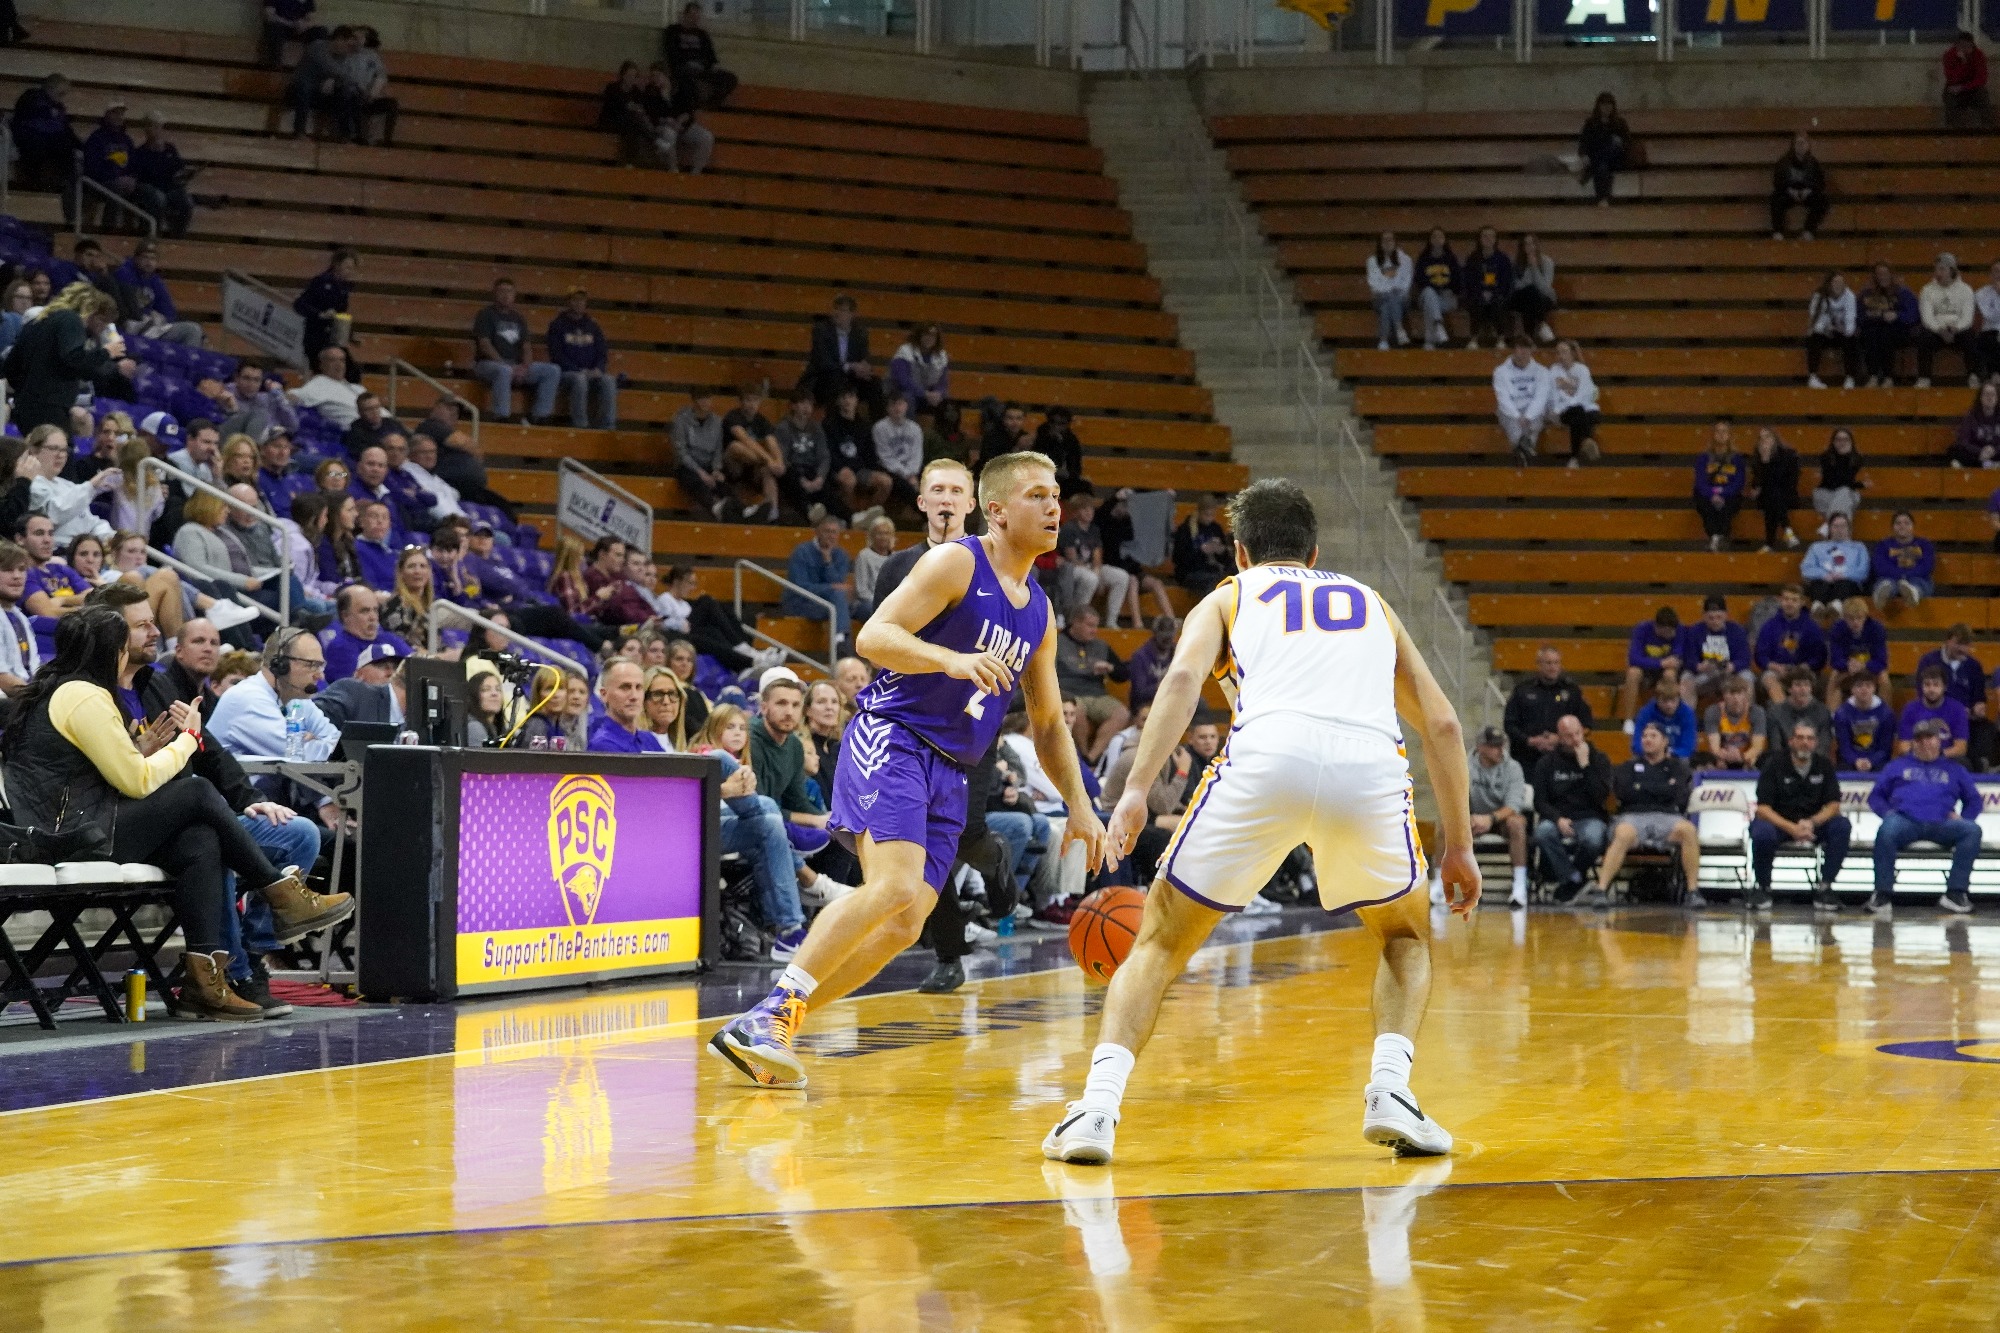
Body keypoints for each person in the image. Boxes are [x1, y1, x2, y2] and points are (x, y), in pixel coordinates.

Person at [1040, 476, 1475, 1162]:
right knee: (1404, 935)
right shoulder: (1371, 603)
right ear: (1315, 550)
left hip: (1267, 756)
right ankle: (1391, 1089)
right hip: (1369, 767)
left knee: (1157, 942)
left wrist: (1135, 789)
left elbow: (1181, 683)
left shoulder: (1229, 596)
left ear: (1239, 552)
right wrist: (1460, 845)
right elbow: (1445, 725)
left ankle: (1096, 1109)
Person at [709, 452, 1106, 1092]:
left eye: (1056, 494)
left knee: (905, 924)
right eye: (1037, 495)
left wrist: (1083, 807)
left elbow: (1052, 724)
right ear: (998, 511)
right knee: (893, 888)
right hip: (893, 736)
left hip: (953, 767)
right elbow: (873, 637)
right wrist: (948, 660)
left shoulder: (1039, 609)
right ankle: (772, 1014)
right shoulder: (957, 561)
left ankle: (770, 1025)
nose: (1055, 506)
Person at [1, 609, 346, 1021]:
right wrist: (189, 739)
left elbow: (105, 772)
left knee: (200, 839)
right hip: (73, 839)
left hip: (75, 829)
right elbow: (136, 782)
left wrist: (141, 749)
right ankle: (279, 893)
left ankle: (204, 985)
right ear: (111, 651)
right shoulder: (83, 694)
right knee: (197, 791)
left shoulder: (64, 689)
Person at [1576, 721, 1699, 909]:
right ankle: (1601, 890)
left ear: (1665, 741)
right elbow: (1625, 793)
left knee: (1688, 830)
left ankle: (1692, 892)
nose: (1647, 740)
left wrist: (1643, 788)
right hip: (1633, 816)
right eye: (1644, 736)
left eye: (1653, 736)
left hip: (1667, 817)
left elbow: (1677, 794)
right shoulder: (1627, 767)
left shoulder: (1678, 768)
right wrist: (1661, 788)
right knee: (1623, 833)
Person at [1870, 719, 1982, 917]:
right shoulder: (1897, 766)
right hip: (1905, 821)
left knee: (1972, 830)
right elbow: (1876, 796)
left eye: (1929, 738)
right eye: (1919, 739)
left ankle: (1956, 893)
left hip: (1942, 823)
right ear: (1913, 742)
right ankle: (1882, 894)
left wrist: (1965, 817)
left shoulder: (1955, 769)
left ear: (1939, 740)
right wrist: (1888, 814)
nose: (1924, 743)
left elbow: (1974, 799)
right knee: (1886, 830)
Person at [1748, 719, 1850, 914]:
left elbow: (1834, 805)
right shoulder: (1773, 764)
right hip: (1780, 823)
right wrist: (1792, 828)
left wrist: (1811, 823)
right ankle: (1763, 888)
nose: (1805, 742)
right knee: (1761, 831)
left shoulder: (1824, 765)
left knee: (1841, 826)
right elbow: (1763, 809)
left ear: (1816, 743)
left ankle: (1825, 887)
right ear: (1791, 741)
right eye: (1800, 737)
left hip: (1813, 823)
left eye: (1810, 738)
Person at [3, 284, 128, 434]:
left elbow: (10, 366)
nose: (103, 327)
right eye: (101, 320)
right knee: (58, 453)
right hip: (50, 405)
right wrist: (106, 352)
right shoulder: (70, 320)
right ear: (89, 309)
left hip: (26, 405)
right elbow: (74, 358)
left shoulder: (38, 321)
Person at [1531, 712, 1612, 905]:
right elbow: (1540, 802)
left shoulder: (1598, 759)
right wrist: (1557, 818)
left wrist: (1585, 766)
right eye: (1569, 736)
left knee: (1593, 837)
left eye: (1578, 733)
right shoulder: (1546, 763)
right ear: (1559, 737)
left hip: (1590, 817)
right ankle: (1575, 878)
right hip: (1558, 818)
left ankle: (1571, 881)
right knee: (1542, 833)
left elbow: (1601, 797)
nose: (1575, 739)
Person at [870, 459, 973, 611]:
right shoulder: (895, 567)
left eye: (956, 491)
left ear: (970, 505)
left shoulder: (995, 566)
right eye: (938, 490)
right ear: (921, 503)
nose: (946, 500)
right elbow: (877, 632)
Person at [473, 279, 560, 424]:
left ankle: (539, 416)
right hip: (488, 364)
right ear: (494, 293)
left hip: (516, 365)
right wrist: (506, 365)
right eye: (502, 291)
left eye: (509, 291)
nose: (506, 295)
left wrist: (525, 368)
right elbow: (485, 345)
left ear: (514, 295)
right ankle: (502, 416)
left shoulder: (518, 318)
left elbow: (526, 347)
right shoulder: (485, 315)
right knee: (504, 371)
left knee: (552, 370)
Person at [1466, 725, 1529, 909]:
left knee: (1517, 824)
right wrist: (1467, 817)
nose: (1500, 750)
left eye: (1501, 745)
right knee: (1445, 825)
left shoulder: (1513, 767)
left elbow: (1513, 805)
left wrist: (1490, 819)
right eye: (1494, 746)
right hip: (1473, 817)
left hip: (1501, 819)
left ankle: (1519, 886)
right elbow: (1453, 796)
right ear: (1480, 747)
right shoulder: (1463, 764)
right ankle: (1438, 886)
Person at [1504, 643, 1593, 770]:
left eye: (1556, 663)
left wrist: (1561, 739)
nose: (1553, 667)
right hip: (1526, 758)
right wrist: (1530, 740)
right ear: (1538, 665)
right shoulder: (1522, 690)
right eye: (1548, 663)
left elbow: (1587, 724)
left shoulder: (1572, 691)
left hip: (1563, 758)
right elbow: (1509, 724)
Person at [1920, 626, 1993, 770]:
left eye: (1966, 645)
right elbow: (1923, 693)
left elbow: (1979, 696)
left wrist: (1978, 706)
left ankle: (1983, 765)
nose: (1963, 649)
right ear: (1948, 641)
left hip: (1967, 719)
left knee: (1987, 729)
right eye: (1958, 644)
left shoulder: (1974, 666)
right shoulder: (1929, 661)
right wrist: (1953, 710)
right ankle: (1974, 764)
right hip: (1936, 716)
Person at [546, 288, 616, 431]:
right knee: (579, 379)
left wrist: (598, 369)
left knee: (609, 380)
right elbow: (556, 355)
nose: (579, 304)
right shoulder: (557, 325)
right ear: (568, 302)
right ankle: (581, 425)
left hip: (591, 372)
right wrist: (578, 370)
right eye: (575, 300)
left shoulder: (593, 326)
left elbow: (602, 352)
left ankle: (608, 426)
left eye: (582, 300)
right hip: (567, 373)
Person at [783, 514, 853, 654]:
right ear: (817, 532)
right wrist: (830, 588)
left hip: (829, 604)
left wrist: (828, 561)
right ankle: (841, 641)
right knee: (839, 601)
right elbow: (800, 588)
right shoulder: (802, 552)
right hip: (801, 603)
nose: (830, 536)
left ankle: (842, 639)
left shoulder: (841, 555)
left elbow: (838, 584)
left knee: (863, 608)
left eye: (834, 532)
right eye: (827, 531)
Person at [802, 294, 882, 416]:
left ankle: (877, 428)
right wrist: (850, 367)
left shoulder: (860, 333)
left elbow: (865, 357)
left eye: (842, 310)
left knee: (875, 383)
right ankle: (833, 426)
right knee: (836, 381)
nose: (837, 313)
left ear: (852, 315)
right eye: (835, 309)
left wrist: (865, 368)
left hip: (850, 379)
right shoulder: (821, 330)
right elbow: (823, 362)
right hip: (824, 379)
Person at [11, 74, 81, 204]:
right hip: (31, 143)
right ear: (50, 88)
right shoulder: (32, 99)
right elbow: (31, 125)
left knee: (68, 150)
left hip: (48, 145)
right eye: (61, 93)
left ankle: (67, 188)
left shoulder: (58, 108)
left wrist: (81, 146)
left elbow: (65, 130)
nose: (62, 97)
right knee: (51, 148)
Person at [286, 26, 362, 142]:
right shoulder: (317, 46)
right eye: (347, 45)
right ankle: (299, 132)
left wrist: (337, 81)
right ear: (339, 39)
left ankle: (345, 135)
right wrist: (335, 78)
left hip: (318, 92)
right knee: (304, 87)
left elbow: (344, 78)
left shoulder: (342, 57)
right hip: (298, 90)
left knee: (345, 92)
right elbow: (331, 67)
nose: (348, 49)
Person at [323, 583, 411, 681]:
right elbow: (352, 689)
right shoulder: (340, 648)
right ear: (345, 616)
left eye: (375, 610)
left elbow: (418, 666)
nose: (373, 617)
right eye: (365, 611)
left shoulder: (390, 639)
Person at [722, 384, 784, 524]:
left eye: (755, 401)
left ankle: (773, 514)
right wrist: (768, 460)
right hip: (733, 466)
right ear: (742, 401)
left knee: (769, 471)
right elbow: (745, 439)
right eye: (748, 400)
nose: (752, 404)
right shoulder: (733, 417)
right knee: (736, 446)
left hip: (754, 468)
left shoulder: (761, 420)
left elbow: (772, 443)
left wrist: (779, 462)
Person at [293, 248, 357, 379]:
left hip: (333, 337)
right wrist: (320, 314)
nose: (349, 271)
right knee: (320, 374)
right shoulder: (320, 282)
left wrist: (350, 334)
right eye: (347, 267)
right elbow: (299, 305)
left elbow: (341, 314)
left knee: (352, 373)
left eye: (352, 268)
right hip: (316, 336)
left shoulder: (344, 288)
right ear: (337, 265)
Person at [1917, 253, 1977, 389]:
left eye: (1942, 269)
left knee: (1970, 336)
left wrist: (1957, 328)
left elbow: (1968, 317)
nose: (1938, 273)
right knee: (1924, 337)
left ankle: (1973, 375)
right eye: (1936, 269)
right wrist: (1940, 329)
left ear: (1952, 270)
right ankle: (1924, 377)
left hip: (1958, 329)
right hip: (1936, 329)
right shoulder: (1927, 290)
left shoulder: (1966, 290)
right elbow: (1927, 317)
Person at [661, 0, 737, 108]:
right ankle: (692, 104)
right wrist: (685, 63)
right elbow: (671, 52)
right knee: (685, 79)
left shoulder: (702, 34)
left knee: (730, 78)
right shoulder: (673, 30)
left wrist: (711, 66)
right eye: (692, 15)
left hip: (702, 69)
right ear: (685, 15)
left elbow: (711, 56)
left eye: (697, 16)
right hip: (682, 67)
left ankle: (712, 103)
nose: (695, 19)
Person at [773, 388, 832, 524]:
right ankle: (808, 511)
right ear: (793, 405)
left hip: (811, 469)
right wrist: (801, 480)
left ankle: (849, 517)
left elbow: (824, 456)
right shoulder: (783, 428)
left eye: (810, 404)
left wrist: (820, 477)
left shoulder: (816, 428)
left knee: (827, 486)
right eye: (802, 403)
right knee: (790, 478)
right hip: (793, 469)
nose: (806, 408)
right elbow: (783, 458)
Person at [1492, 337, 1551, 466]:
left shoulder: (1542, 371)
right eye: (1519, 348)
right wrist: (1517, 416)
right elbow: (1503, 398)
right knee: (1513, 424)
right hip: (1511, 411)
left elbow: (1541, 397)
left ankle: (1522, 451)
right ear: (1513, 350)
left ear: (1531, 350)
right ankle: (1525, 449)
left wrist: (1528, 416)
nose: (1522, 352)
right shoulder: (1500, 371)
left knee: (1535, 421)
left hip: (1533, 410)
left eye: (1525, 348)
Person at [1858, 263, 1918, 388]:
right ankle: (1873, 375)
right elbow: (1858, 316)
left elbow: (1914, 315)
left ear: (1891, 275)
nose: (1882, 277)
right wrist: (1870, 315)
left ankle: (1888, 376)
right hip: (1873, 329)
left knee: (1886, 334)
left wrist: (1897, 316)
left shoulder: (1903, 292)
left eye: (1885, 274)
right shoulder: (1866, 293)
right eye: (1879, 274)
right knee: (1871, 334)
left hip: (1897, 330)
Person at [1825, 597, 1890, 711]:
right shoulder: (1837, 629)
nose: (1855, 622)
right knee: (1834, 679)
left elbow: (1882, 660)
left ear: (1865, 617)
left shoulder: (1876, 629)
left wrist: (1864, 665)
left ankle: (1884, 715)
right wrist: (1847, 665)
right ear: (1844, 618)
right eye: (1851, 619)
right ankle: (1832, 717)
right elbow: (1835, 659)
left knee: (1884, 680)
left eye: (1859, 618)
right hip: (1847, 668)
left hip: (1870, 668)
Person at [1897, 663, 1970, 761]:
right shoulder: (1910, 709)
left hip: (1945, 759)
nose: (1931, 689)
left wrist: (1937, 754)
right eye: (1927, 684)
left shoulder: (1957, 709)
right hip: (1916, 759)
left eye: (1936, 685)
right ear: (1922, 686)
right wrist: (1922, 754)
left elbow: (1961, 748)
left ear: (1944, 687)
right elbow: (1903, 747)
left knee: (1964, 762)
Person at [1744, 426, 1801, 553]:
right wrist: (1763, 463)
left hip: (1787, 493)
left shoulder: (1787, 455)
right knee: (1771, 495)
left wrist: (1767, 463)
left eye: (1768, 437)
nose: (1764, 441)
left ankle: (1770, 543)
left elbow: (1783, 479)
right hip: (1768, 497)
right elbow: (1758, 482)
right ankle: (1787, 531)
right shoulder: (1758, 458)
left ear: (1775, 439)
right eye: (1761, 438)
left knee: (1773, 493)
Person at [1692, 418, 1744, 552]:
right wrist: (1713, 494)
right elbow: (1700, 482)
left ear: (1729, 435)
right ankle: (1715, 537)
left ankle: (1721, 538)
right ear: (1713, 435)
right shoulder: (1704, 458)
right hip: (1708, 494)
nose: (1721, 434)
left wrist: (1721, 493)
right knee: (1703, 501)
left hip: (1729, 494)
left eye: (1724, 431)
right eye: (1718, 431)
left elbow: (1738, 483)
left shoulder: (1737, 459)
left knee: (1728, 505)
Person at [1801, 513, 1869, 615]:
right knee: (1819, 583)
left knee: (1844, 584)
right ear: (1829, 528)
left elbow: (1863, 571)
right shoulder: (1816, 547)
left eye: (1843, 526)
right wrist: (1824, 575)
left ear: (1849, 528)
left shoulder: (1859, 547)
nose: (1839, 530)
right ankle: (1818, 606)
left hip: (1848, 583)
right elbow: (1806, 569)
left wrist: (1844, 575)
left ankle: (1836, 606)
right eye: (1835, 526)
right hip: (1823, 581)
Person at [1548, 339, 1600, 468]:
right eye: (1558, 352)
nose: (1561, 355)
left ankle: (1575, 457)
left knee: (1580, 414)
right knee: (1577, 413)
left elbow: (1584, 394)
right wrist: (1556, 410)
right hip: (1565, 410)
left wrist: (1571, 401)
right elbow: (1552, 394)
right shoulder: (1554, 370)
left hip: (1586, 409)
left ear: (1572, 353)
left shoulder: (1582, 370)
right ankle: (1587, 440)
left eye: (1564, 352)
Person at [1460, 226, 1513, 350]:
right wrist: (1481, 293)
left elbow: (1506, 282)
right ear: (1479, 239)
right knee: (1475, 302)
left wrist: (1493, 293)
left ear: (1495, 239)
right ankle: (1474, 338)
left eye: (1491, 236)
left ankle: (1501, 338)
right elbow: (1469, 282)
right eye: (1485, 236)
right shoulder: (1473, 259)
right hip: (1478, 295)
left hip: (1497, 295)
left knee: (1499, 302)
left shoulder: (1502, 259)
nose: (1488, 239)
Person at [1869, 510, 1935, 610]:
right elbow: (1880, 567)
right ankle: (1881, 595)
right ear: (1893, 527)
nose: (1902, 526)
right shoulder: (1883, 545)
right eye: (1898, 523)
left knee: (1920, 583)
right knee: (1886, 583)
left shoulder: (1924, 544)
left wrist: (1905, 576)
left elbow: (1927, 566)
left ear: (1912, 526)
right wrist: (1902, 576)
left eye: (1906, 523)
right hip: (1891, 579)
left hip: (1917, 579)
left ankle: (1914, 593)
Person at [1766, 666, 1834, 761]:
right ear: (1789, 689)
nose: (1803, 689)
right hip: (1785, 762)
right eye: (1798, 685)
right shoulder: (1775, 712)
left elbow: (1823, 745)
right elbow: (1776, 747)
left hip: (1815, 762)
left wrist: (1807, 761)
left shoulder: (1823, 711)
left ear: (1811, 688)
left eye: (1806, 685)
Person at [1769, 131, 1827, 242]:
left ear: (1808, 145)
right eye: (1798, 143)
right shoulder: (1783, 162)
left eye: (1803, 143)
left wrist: (1809, 190)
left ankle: (1808, 231)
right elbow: (1777, 182)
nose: (1801, 146)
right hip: (1788, 193)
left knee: (1822, 200)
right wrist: (1788, 190)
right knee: (1775, 199)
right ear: (1793, 145)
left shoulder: (1814, 163)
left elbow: (1821, 183)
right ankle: (1778, 232)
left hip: (1807, 193)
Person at [1805, 272, 1860, 389]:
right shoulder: (1819, 296)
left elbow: (1851, 321)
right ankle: (1813, 376)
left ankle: (1850, 377)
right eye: (1835, 282)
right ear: (1829, 284)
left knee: (1852, 340)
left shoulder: (1849, 296)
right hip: (1825, 332)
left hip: (1842, 332)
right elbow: (1816, 322)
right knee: (1814, 338)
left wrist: (1844, 329)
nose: (1838, 285)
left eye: (1841, 282)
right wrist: (1827, 328)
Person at [1576, 92, 1631, 207]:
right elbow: (1583, 143)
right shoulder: (1591, 123)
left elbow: (1628, 144)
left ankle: (1588, 170)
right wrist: (1584, 155)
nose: (1607, 108)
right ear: (1598, 106)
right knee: (1602, 166)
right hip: (1601, 162)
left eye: (1609, 105)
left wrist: (1620, 142)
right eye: (1604, 105)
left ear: (1613, 107)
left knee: (1612, 146)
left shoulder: (1620, 123)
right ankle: (1603, 199)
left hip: (1616, 160)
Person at [1833, 672, 1894, 773]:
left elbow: (1885, 748)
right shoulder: (1842, 713)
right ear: (1852, 689)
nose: (1864, 689)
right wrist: (1855, 760)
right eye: (1859, 685)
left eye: (1868, 685)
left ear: (1874, 688)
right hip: (1849, 762)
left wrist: (1872, 761)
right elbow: (1844, 746)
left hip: (1877, 762)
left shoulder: (1886, 714)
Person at [1703, 675, 1767, 773]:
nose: (1736, 698)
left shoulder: (1756, 712)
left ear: (1746, 694)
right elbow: (1714, 747)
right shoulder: (1714, 711)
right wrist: (1724, 756)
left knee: (1759, 759)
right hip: (1722, 757)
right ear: (1724, 695)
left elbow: (1757, 747)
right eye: (1732, 694)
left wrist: (1742, 757)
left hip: (1746, 756)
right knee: (1708, 762)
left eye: (1740, 693)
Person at [1630, 669, 1697, 760]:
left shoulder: (1687, 713)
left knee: (1684, 763)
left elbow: (1688, 747)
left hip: (1675, 758)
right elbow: (1636, 743)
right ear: (1657, 699)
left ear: (1679, 698)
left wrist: (1669, 753)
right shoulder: (1646, 712)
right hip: (1649, 756)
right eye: (1665, 701)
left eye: (1673, 700)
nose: (1669, 705)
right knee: (1635, 761)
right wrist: (1653, 752)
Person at [290, 346, 364, 429]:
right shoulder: (318, 384)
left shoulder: (357, 388)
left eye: (342, 360)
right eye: (332, 360)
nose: (338, 364)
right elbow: (293, 396)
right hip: (354, 432)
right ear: (322, 365)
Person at [1411, 228, 1459, 350]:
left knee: (1430, 306)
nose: (1437, 239)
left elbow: (1457, 280)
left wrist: (1450, 290)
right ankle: (1438, 324)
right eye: (1434, 237)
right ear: (1430, 240)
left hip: (1446, 298)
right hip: (1428, 295)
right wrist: (1436, 289)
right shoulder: (1423, 259)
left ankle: (1429, 341)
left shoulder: (1451, 259)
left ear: (1444, 240)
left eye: (1440, 237)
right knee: (1429, 294)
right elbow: (1420, 281)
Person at [889, 324, 950, 416]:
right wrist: (924, 393)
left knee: (948, 404)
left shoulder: (941, 355)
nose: (929, 338)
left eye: (933, 336)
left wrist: (938, 393)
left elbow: (943, 382)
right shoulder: (905, 351)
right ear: (919, 336)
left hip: (927, 395)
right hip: (903, 392)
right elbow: (903, 381)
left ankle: (946, 430)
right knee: (907, 400)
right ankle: (909, 430)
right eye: (926, 335)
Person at [1507, 233, 1558, 344]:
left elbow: (1545, 288)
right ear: (1522, 247)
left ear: (1537, 245)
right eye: (1526, 244)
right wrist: (1530, 269)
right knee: (1530, 292)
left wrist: (1534, 267)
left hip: (1543, 298)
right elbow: (1517, 286)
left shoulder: (1547, 262)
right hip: (1521, 297)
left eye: (1532, 243)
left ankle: (1529, 338)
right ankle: (1542, 324)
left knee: (1532, 295)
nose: (1530, 246)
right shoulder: (1516, 263)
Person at [1365, 231, 1412, 350]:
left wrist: (1391, 290)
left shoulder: (1405, 259)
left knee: (1387, 306)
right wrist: (1390, 290)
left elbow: (1406, 283)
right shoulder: (1372, 261)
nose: (1387, 243)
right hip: (1379, 298)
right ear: (1380, 243)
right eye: (1384, 240)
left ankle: (1383, 340)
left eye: (1390, 239)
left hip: (1401, 299)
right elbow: (1374, 284)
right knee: (1388, 300)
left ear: (1395, 242)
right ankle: (1399, 328)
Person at [1814, 426, 1866, 533]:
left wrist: (1846, 457)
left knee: (1845, 492)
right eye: (1838, 439)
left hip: (1847, 495)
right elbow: (1833, 482)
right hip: (1825, 494)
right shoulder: (1825, 457)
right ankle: (1843, 539)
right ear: (1833, 442)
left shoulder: (1856, 458)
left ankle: (1829, 526)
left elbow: (1846, 481)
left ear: (1851, 442)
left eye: (1845, 439)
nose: (1842, 442)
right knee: (1845, 501)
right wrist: (1860, 485)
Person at [1943, 30, 1994, 130]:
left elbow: (1981, 79)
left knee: (1982, 94)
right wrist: (1962, 63)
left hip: (1972, 87)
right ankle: (1951, 128)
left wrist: (1964, 87)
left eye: (1967, 46)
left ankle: (1988, 128)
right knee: (1949, 96)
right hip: (1955, 87)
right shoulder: (1949, 55)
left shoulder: (1978, 55)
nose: (1964, 49)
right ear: (1956, 45)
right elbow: (1952, 78)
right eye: (1961, 46)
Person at [851, 515, 897, 619]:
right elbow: (862, 591)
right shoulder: (864, 556)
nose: (883, 537)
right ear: (872, 536)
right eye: (879, 533)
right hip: (867, 603)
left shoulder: (896, 557)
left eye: (886, 533)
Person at [1956, 382, 2000, 470]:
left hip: (1996, 453)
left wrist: (1994, 450)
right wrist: (1980, 451)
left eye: (1992, 394)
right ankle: (1987, 465)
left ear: (1997, 398)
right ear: (1980, 397)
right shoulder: (1970, 417)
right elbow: (1963, 441)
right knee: (1957, 452)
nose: (1989, 397)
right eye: (1986, 394)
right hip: (1977, 455)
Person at [1975, 259, 2000, 386]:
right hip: (1990, 331)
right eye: (1996, 271)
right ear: (1990, 275)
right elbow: (1990, 316)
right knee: (1992, 339)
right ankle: (1994, 375)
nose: (1999, 275)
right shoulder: (1981, 293)